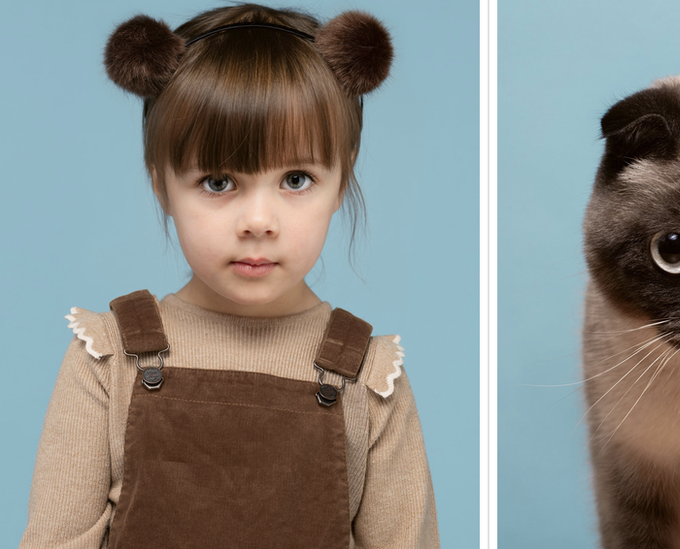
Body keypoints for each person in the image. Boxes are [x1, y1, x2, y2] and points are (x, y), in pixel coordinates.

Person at [20, 4, 438, 548]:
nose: (259, 222)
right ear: (160, 183)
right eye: (218, 182)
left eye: (296, 178)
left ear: (342, 178)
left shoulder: (370, 378)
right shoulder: (109, 358)